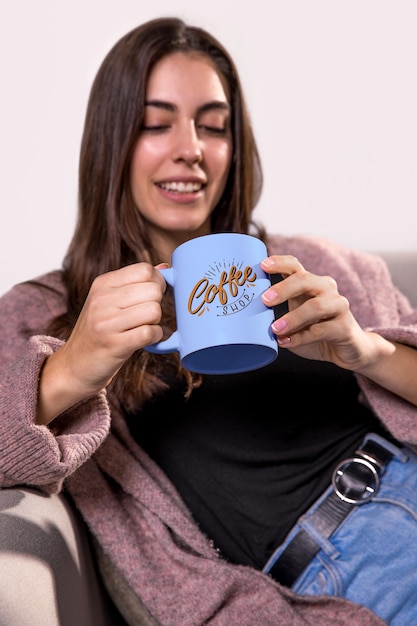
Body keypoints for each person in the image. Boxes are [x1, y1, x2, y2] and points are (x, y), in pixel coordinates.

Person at [0, 16, 417, 626]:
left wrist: (368, 352)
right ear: (110, 140)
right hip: (336, 572)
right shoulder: (41, 312)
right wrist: (70, 366)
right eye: (155, 122)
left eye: (214, 126)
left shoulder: (316, 265)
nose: (191, 147)